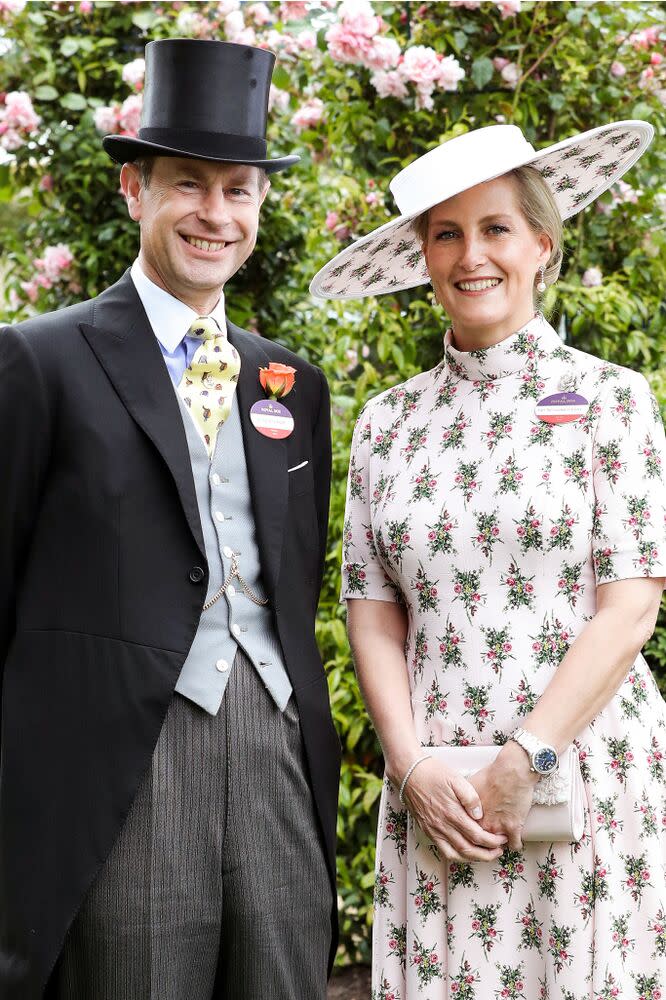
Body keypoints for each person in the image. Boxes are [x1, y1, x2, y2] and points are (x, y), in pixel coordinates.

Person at [0, 39, 340, 1000]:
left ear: (262, 206)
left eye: (239, 190)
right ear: (132, 190)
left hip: (275, 747)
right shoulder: (39, 362)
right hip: (120, 765)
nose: (215, 214)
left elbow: (290, 582)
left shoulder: (293, 384)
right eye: (189, 184)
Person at [311, 121, 666, 996]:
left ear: (542, 244)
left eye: (496, 227)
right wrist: (412, 765)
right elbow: (371, 609)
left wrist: (528, 756)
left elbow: (631, 607)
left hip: (583, 772)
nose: (472, 255)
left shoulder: (613, 402)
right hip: (440, 786)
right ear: (424, 257)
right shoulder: (387, 424)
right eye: (447, 233)